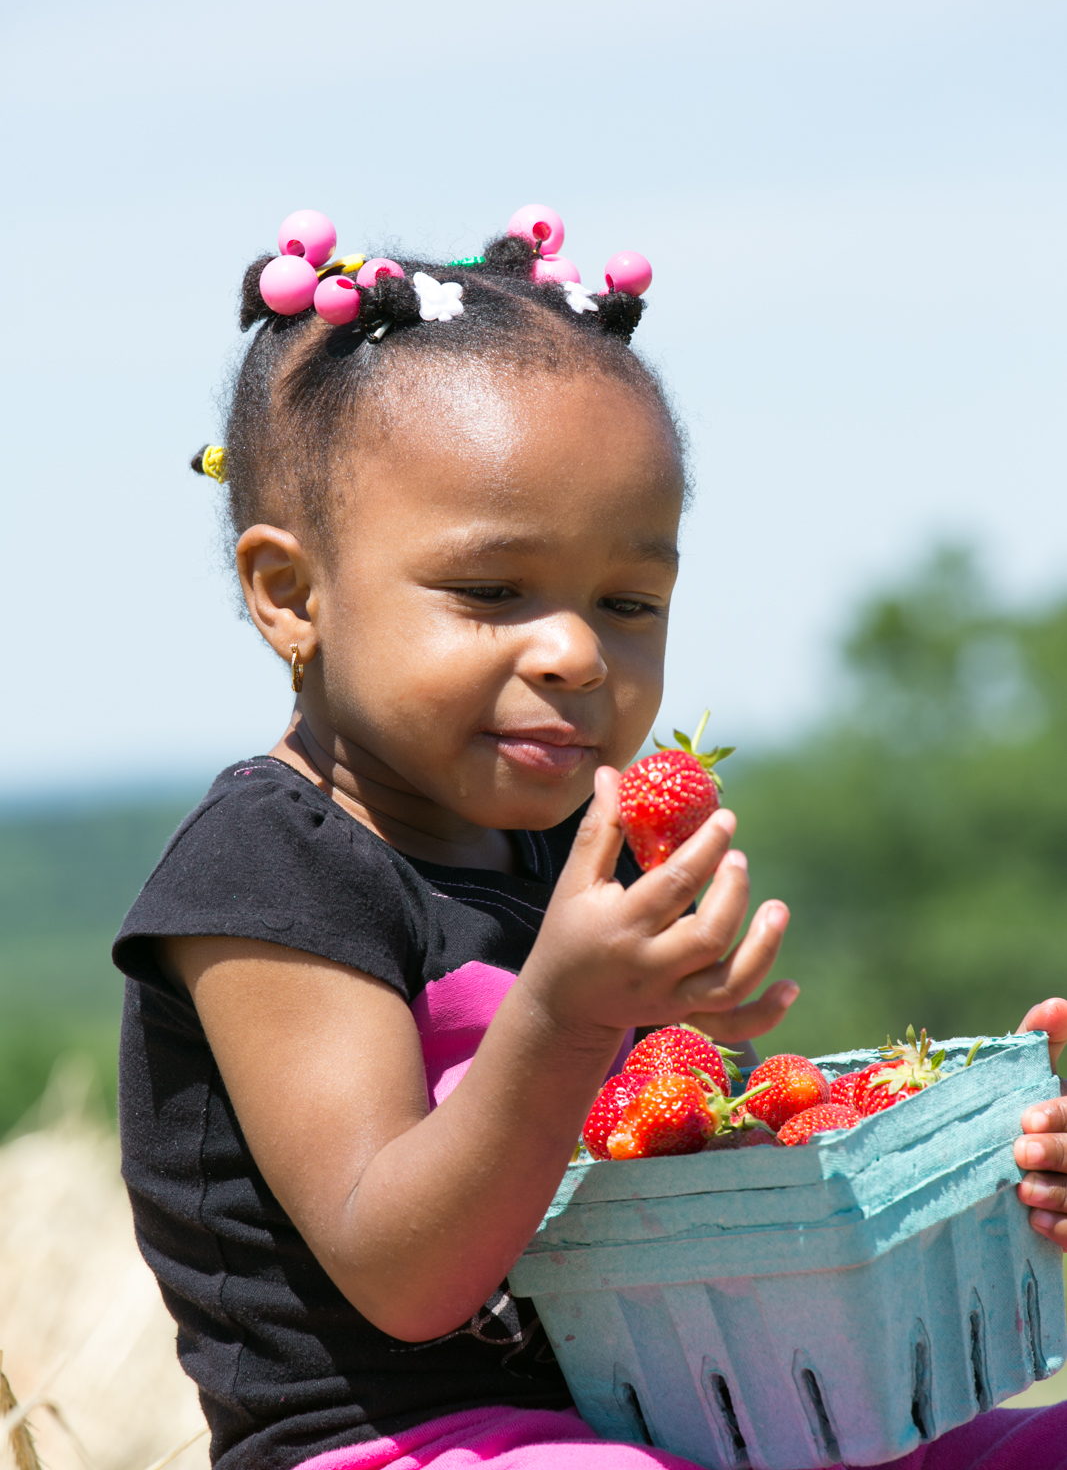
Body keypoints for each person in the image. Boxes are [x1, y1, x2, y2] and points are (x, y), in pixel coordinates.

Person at [114, 207, 1067, 1470]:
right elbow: (404, 1274)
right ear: (291, 594)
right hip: (404, 1441)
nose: (573, 653)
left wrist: (970, 1153)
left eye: (627, 602)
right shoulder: (269, 871)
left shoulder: (581, 850)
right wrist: (565, 1016)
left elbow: (684, 1205)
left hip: (693, 1406)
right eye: (490, 591)